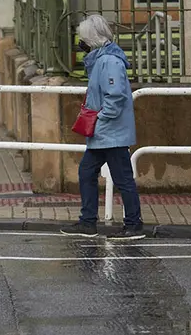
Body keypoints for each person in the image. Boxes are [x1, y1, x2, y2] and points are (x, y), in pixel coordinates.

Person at [61, 14, 144, 240]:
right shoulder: (102, 60)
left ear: (92, 39)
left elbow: (115, 96)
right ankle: (88, 222)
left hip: (111, 133)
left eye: (83, 39)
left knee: (121, 178)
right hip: (104, 133)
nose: (81, 43)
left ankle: (133, 225)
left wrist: (100, 118)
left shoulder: (109, 62)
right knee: (88, 172)